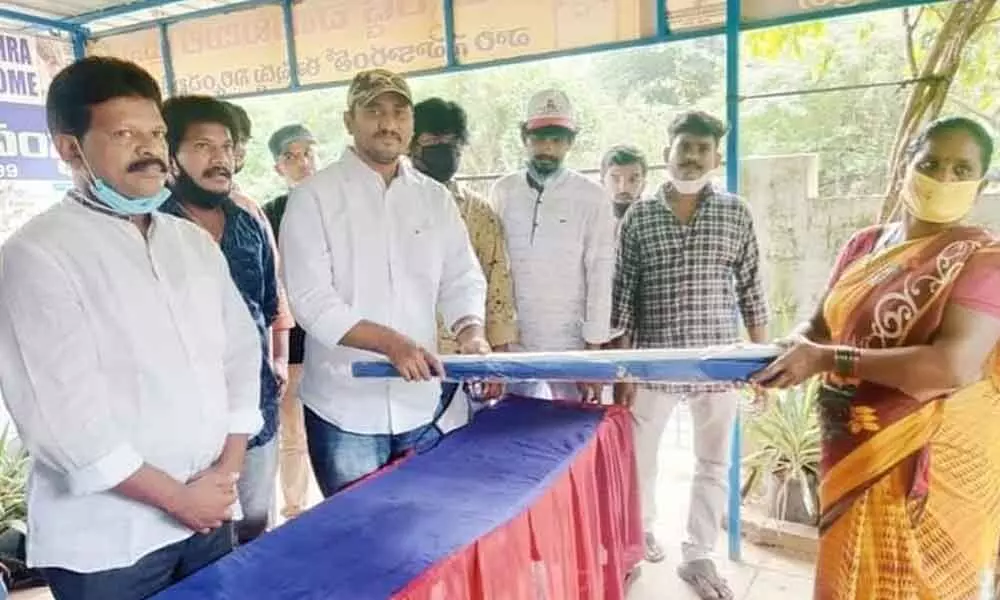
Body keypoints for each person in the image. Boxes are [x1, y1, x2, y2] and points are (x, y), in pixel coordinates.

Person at [0, 57, 261, 599]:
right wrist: (180, 499)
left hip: (209, 514)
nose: (149, 149)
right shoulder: (37, 254)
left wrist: (225, 476)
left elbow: (239, 356)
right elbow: (65, 421)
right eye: (124, 134)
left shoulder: (189, 241)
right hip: (111, 542)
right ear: (71, 148)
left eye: (157, 133)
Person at [751, 117, 1000, 600]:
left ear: (982, 182)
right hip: (852, 449)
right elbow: (822, 321)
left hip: (932, 464)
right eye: (929, 163)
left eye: (960, 169)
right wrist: (794, 349)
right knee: (848, 578)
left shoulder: (983, 261)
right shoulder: (865, 244)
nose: (943, 179)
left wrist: (825, 360)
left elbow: (953, 366)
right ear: (905, 163)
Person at [280, 69, 491, 498]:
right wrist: (392, 344)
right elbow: (311, 299)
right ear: (349, 120)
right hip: (345, 409)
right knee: (359, 543)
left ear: (411, 123)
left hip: (420, 404)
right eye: (373, 110)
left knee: (422, 538)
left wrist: (471, 331)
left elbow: (460, 274)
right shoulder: (314, 197)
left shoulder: (433, 198)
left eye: (399, 112)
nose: (388, 123)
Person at [613, 110, 768, 599]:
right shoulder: (639, 216)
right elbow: (623, 297)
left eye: (703, 149)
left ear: (716, 157)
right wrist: (623, 367)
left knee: (712, 464)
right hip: (653, 365)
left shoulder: (735, 212)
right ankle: (637, 539)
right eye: (685, 147)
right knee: (639, 460)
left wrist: (760, 363)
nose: (693, 156)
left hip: (717, 365)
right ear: (668, 154)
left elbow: (752, 289)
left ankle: (699, 556)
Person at [159, 95, 281, 545]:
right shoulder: (150, 228)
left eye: (227, 147)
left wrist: (275, 369)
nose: (220, 159)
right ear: (171, 156)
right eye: (203, 146)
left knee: (255, 530)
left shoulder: (247, 224)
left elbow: (267, 308)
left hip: (256, 413)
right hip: (186, 426)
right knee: (200, 544)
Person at [489, 89, 615, 402]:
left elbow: (600, 273)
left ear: (571, 142)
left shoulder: (592, 196)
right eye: (540, 138)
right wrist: (498, 343)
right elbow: (493, 267)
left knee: (573, 436)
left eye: (558, 139)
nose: (548, 148)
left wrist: (593, 353)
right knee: (514, 432)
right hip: (517, 343)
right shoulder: (503, 191)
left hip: (571, 346)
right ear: (524, 136)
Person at [409, 98, 517, 420]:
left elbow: (498, 283)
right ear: (411, 146)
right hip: (410, 359)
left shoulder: (480, 212)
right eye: (431, 142)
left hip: (467, 356)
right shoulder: (391, 207)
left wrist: (495, 362)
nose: (443, 150)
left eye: (451, 143)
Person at [262, 123, 319, 519]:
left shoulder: (339, 203)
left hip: (343, 339)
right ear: (278, 167)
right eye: (291, 156)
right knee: (293, 433)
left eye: (308, 152)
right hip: (295, 339)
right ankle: (295, 510)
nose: (302, 162)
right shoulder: (268, 215)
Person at [601, 144, 648, 223]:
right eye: (616, 179)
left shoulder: (656, 221)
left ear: (643, 185)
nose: (623, 188)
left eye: (633, 179)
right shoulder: (590, 220)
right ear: (602, 183)